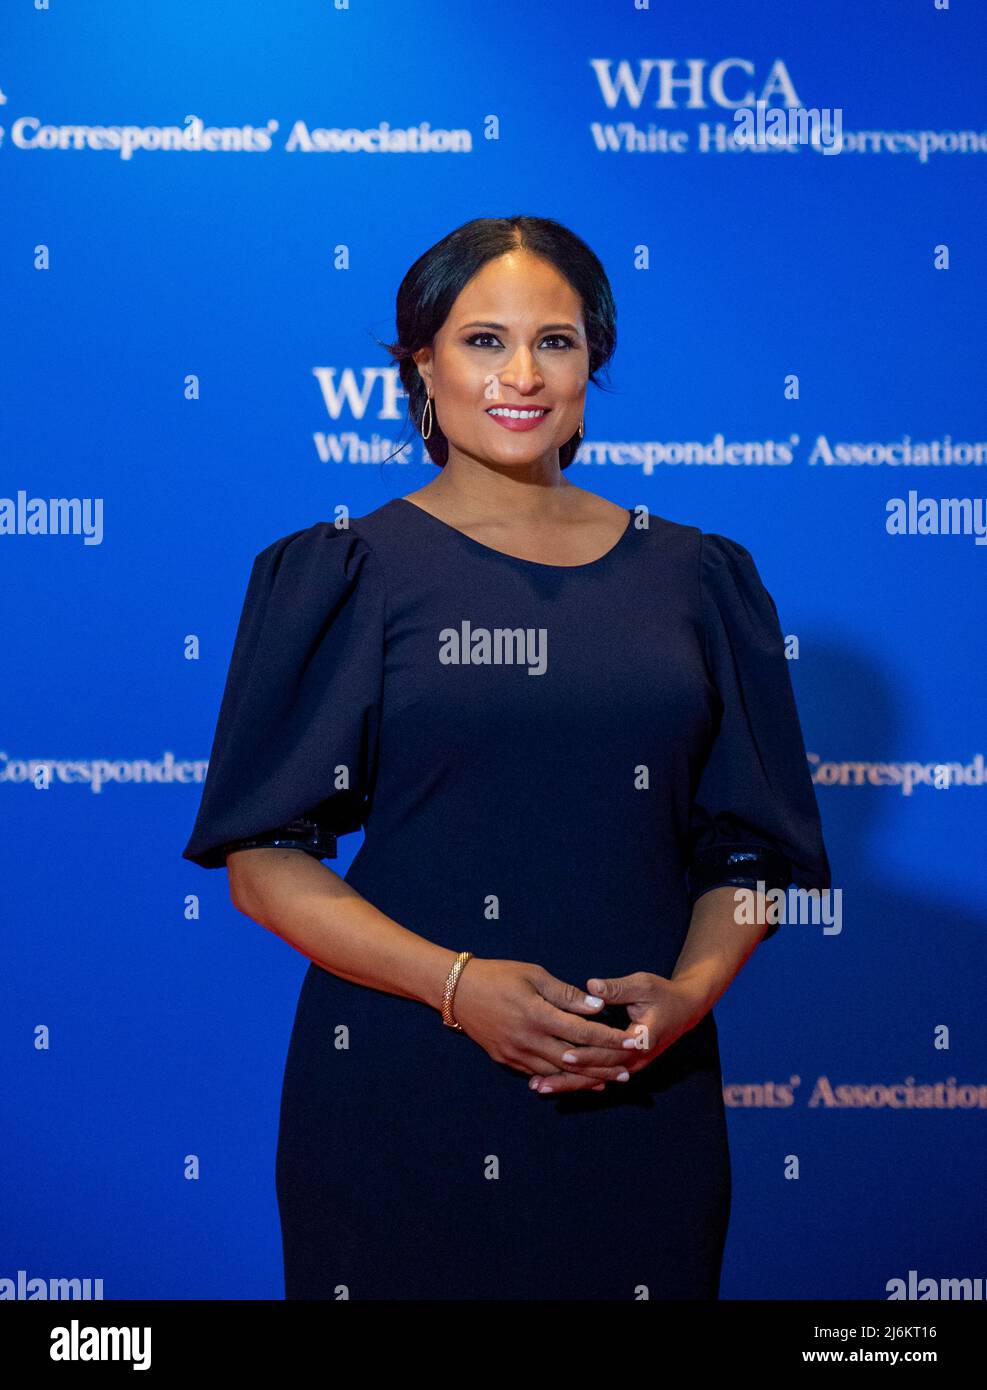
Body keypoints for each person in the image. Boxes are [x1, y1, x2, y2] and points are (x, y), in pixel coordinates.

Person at [182, 215, 831, 1300]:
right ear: (420, 364)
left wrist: (688, 993)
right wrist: (458, 985)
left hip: (634, 1086)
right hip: (407, 1086)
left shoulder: (698, 576)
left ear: (595, 362)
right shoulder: (344, 568)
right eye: (484, 340)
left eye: (557, 341)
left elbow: (750, 853)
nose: (521, 374)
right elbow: (264, 858)